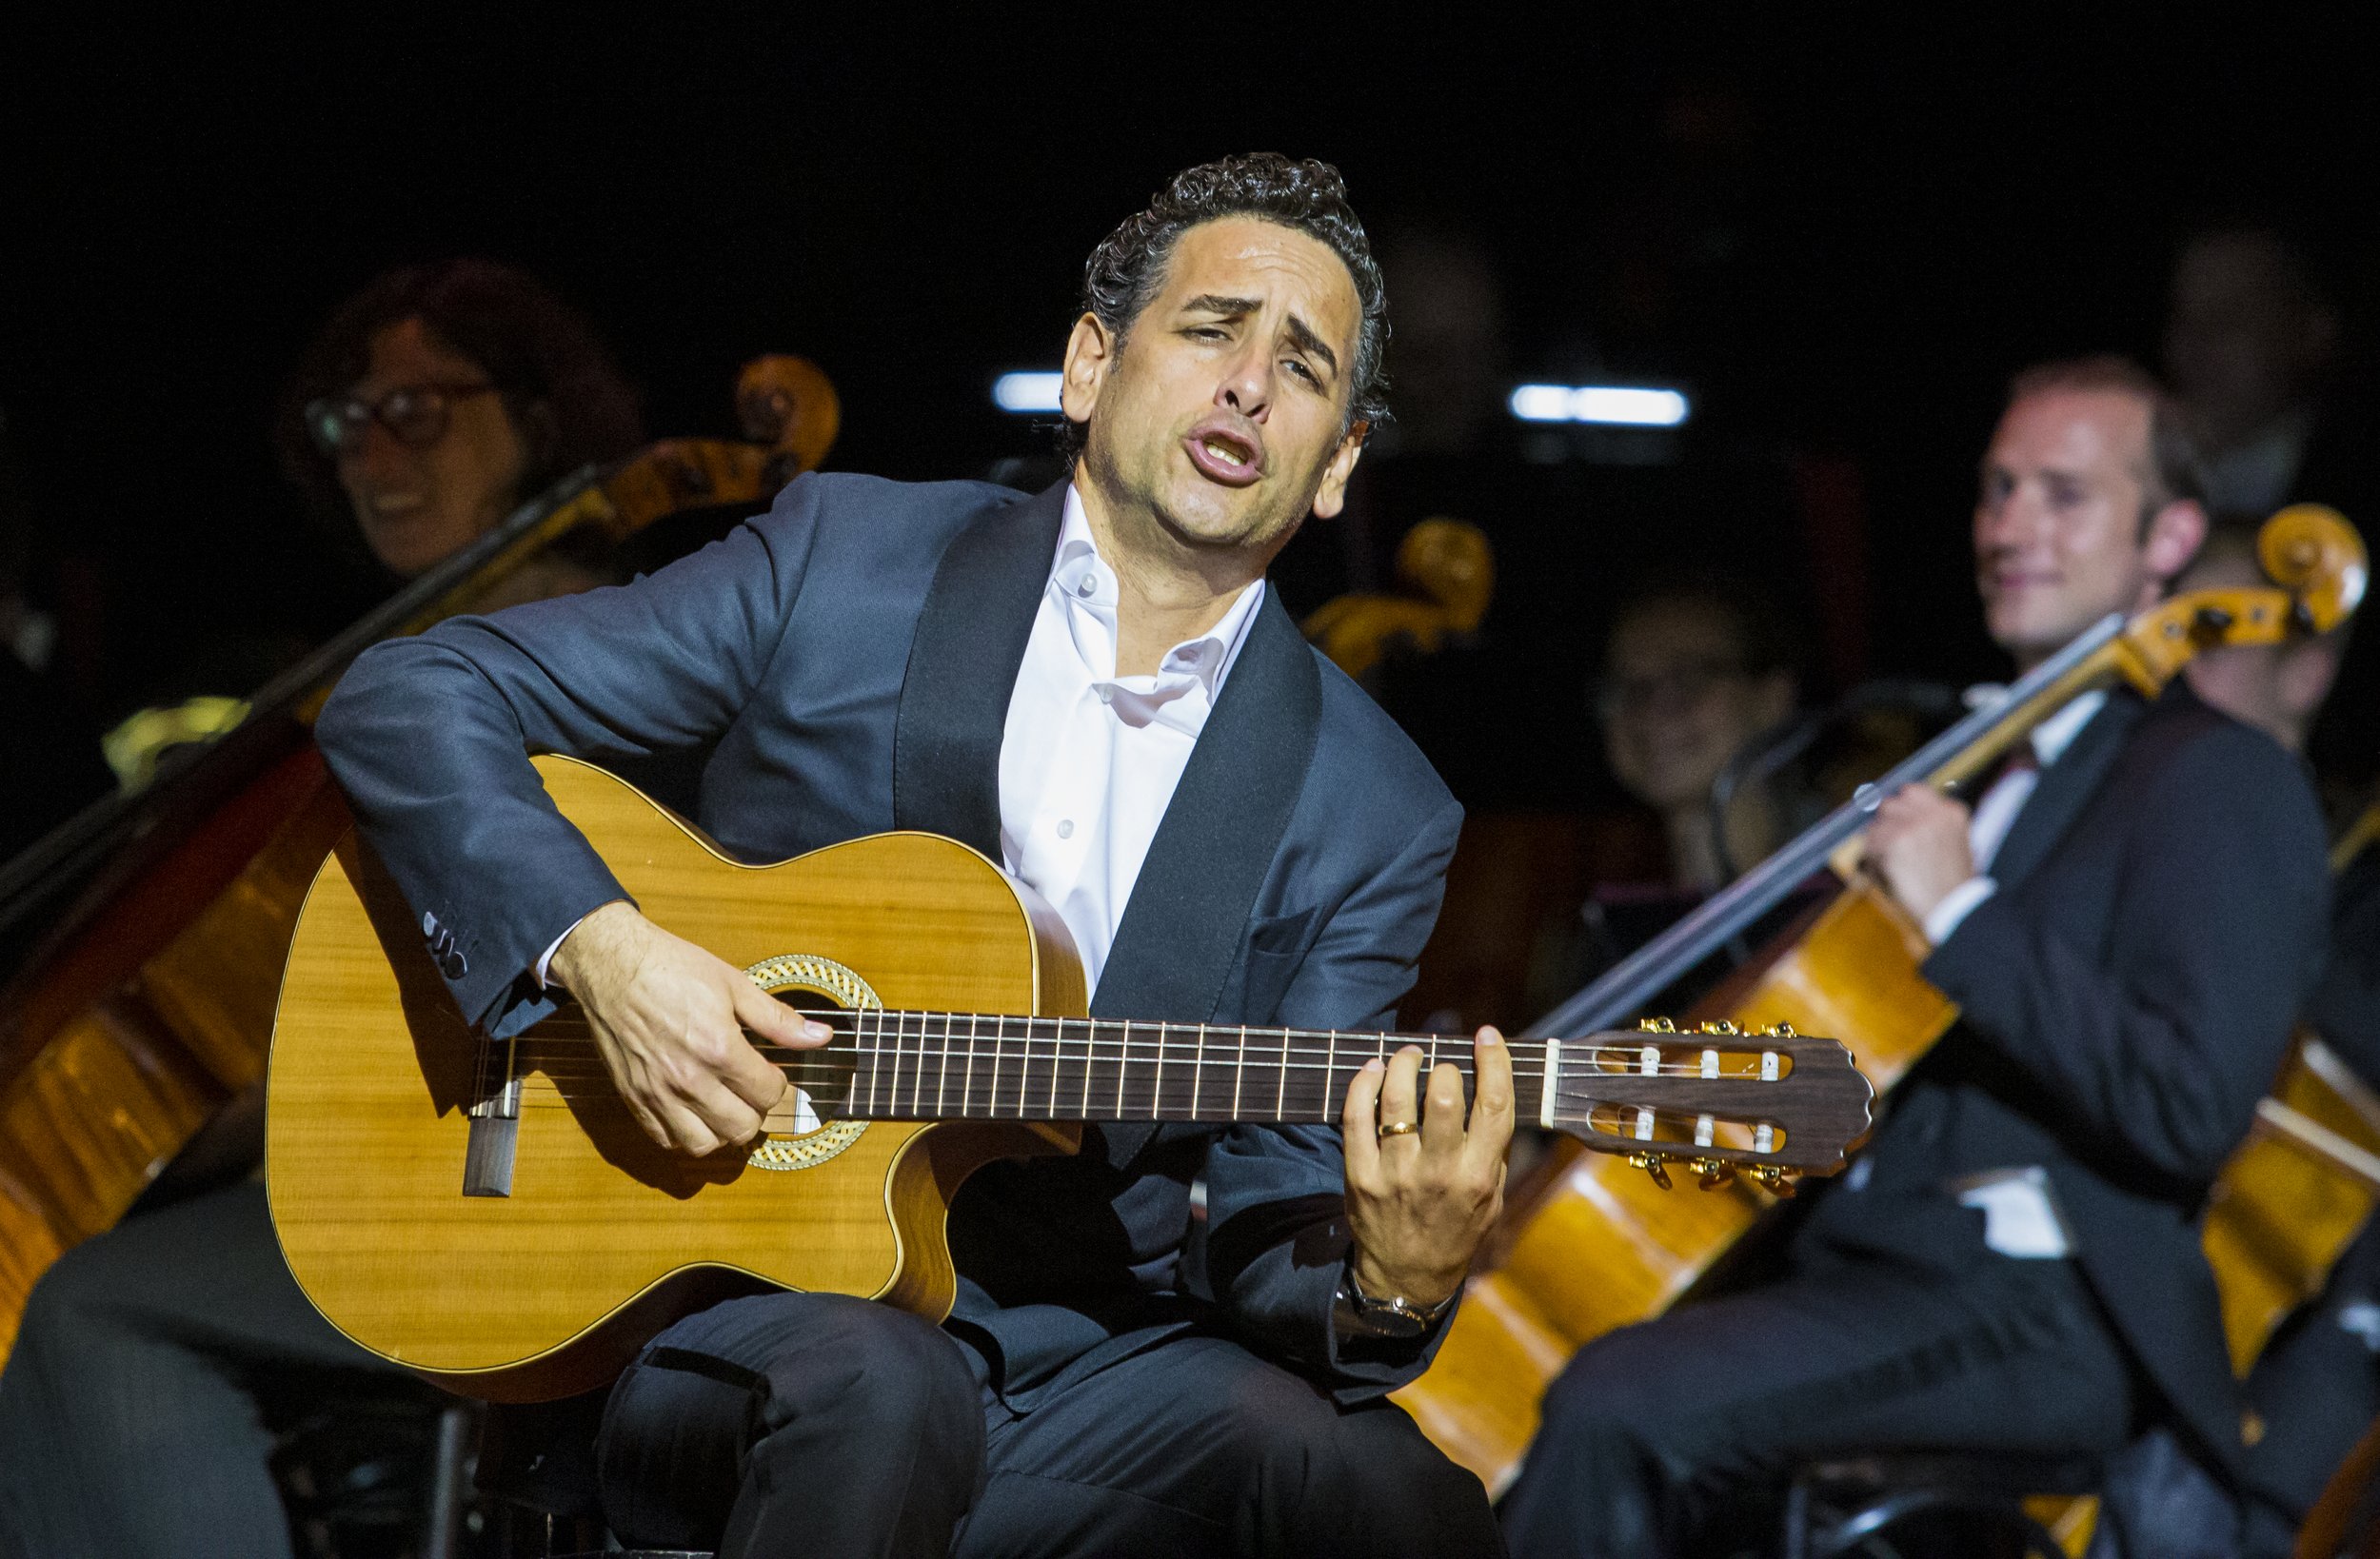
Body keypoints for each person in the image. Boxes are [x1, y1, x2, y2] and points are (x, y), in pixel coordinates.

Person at [311, 154, 1511, 1558]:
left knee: (1394, 1498)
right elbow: (405, 698)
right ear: (1086, 367)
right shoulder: (848, 559)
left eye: (1303, 367)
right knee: (884, 1400)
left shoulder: (1373, 803)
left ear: (1338, 467)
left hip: (1084, 1361)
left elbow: (1269, 1225)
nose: (1250, 382)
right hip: (732, 1301)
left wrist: (1388, 1280)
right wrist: (607, 951)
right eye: (1211, 329)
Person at [1500, 355, 2331, 1556]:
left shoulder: (2217, 776)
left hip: (2042, 1308)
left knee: (1614, 1404)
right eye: (1997, 491)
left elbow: (2189, 1104)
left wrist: (1964, 915)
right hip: (1864, 1265)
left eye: (2063, 494)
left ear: (2171, 537)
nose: (2010, 528)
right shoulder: (1984, 762)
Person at [0, 259, 645, 1559]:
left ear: (538, 417)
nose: (375, 452)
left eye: (421, 409)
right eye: (348, 422)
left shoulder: (603, 645)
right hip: (389, 1127)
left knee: (89, 1307)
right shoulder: (388, 667)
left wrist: (204, 1116)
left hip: (530, 1163)